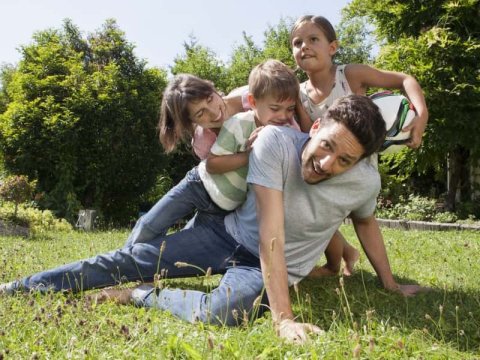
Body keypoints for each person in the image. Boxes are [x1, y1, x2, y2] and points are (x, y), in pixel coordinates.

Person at [0, 95, 427, 344]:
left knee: (218, 314)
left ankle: (138, 296)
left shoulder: (364, 183)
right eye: (326, 145)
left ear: (359, 165)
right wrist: (283, 319)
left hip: (262, 268)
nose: (327, 163)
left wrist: (388, 283)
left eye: (345, 160)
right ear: (313, 125)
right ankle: (16, 288)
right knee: (123, 260)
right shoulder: (276, 142)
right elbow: (270, 232)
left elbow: (366, 224)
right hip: (225, 237)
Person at [290, 15, 429, 277]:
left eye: (313, 39)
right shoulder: (298, 92)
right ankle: (338, 261)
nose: (304, 47)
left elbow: (405, 80)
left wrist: (421, 116)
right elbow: (309, 131)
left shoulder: (350, 75)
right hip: (324, 165)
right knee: (318, 209)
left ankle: (387, 279)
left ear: (332, 47)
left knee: (363, 218)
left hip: (358, 167)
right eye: (297, 43)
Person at [125, 62, 300, 248]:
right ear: (192, 122)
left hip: (225, 206)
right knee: (151, 224)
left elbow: (285, 91)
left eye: (210, 99)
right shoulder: (202, 141)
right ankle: (124, 261)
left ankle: (148, 261)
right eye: (201, 114)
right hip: (205, 186)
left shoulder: (248, 99)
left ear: (214, 89)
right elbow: (215, 169)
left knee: (185, 239)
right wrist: (250, 155)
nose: (214, 113)